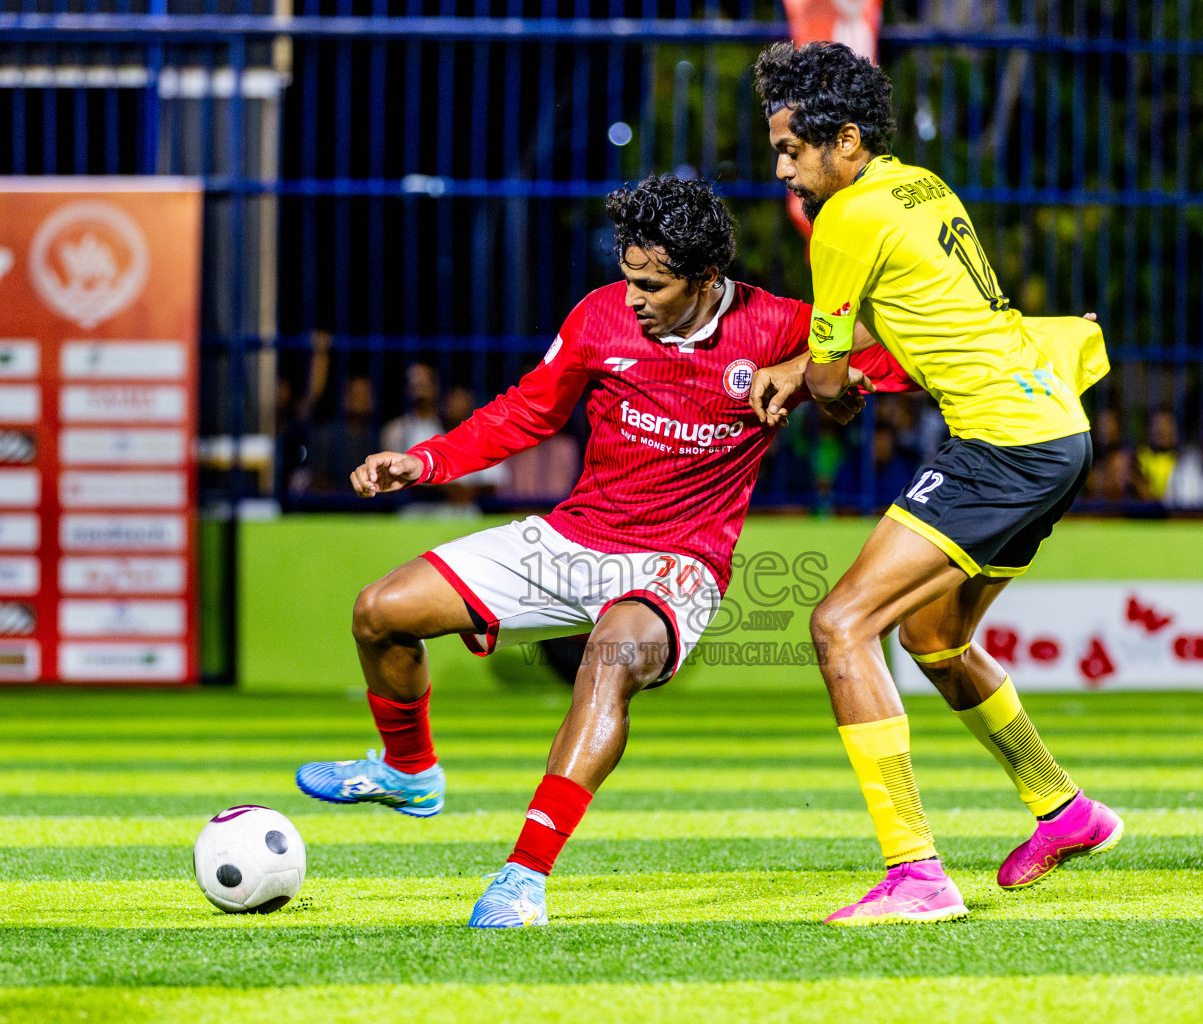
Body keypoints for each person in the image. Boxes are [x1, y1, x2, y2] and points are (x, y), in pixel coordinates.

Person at [293, 174, 912, 929]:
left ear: (706, 277)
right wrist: (426, 462)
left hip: (679, 563)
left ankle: (524, 877)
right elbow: (528, 409)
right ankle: (408, 770)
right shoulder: (600, 317)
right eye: (628, 278)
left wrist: (809, 371)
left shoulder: (778, 324)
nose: (635, 298)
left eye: (652, 285)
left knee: (610, 656)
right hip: (577, 533)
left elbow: (902, 355)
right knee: (380, 611)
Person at [754, 40, 1121, 927]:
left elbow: (840, 385)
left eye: (791, 149)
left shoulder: (844, 219)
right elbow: (931, 337)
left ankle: (916, 873)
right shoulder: (921, 184)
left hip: (1003, 443)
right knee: (931, 634)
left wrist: (814, 383)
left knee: (841, 626)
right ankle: (1066, 810)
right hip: (1055, 429)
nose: (782, 169)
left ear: (844, 142)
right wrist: (817, 370)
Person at [379, 362, 443, 454]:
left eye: (424, 383)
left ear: (435, 386)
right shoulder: (394, 431)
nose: (420, 388)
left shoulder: (447, 429)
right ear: (407, 388)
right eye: (415, 384)